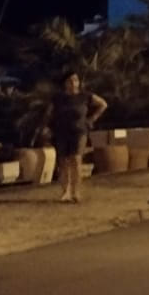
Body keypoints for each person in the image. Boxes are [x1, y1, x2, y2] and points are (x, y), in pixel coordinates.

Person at [51, 70, 107, 203]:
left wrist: (92, 118)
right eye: (70, 81)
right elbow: (51, 113)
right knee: (63, 162)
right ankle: (66, 191)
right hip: (62, 132)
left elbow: (103, 104)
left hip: (79, 131)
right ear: (65, 83)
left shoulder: (85, 96)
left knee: (76, 159)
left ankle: (76, 191)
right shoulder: (59, 98)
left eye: (75, 80)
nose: (73, 83)